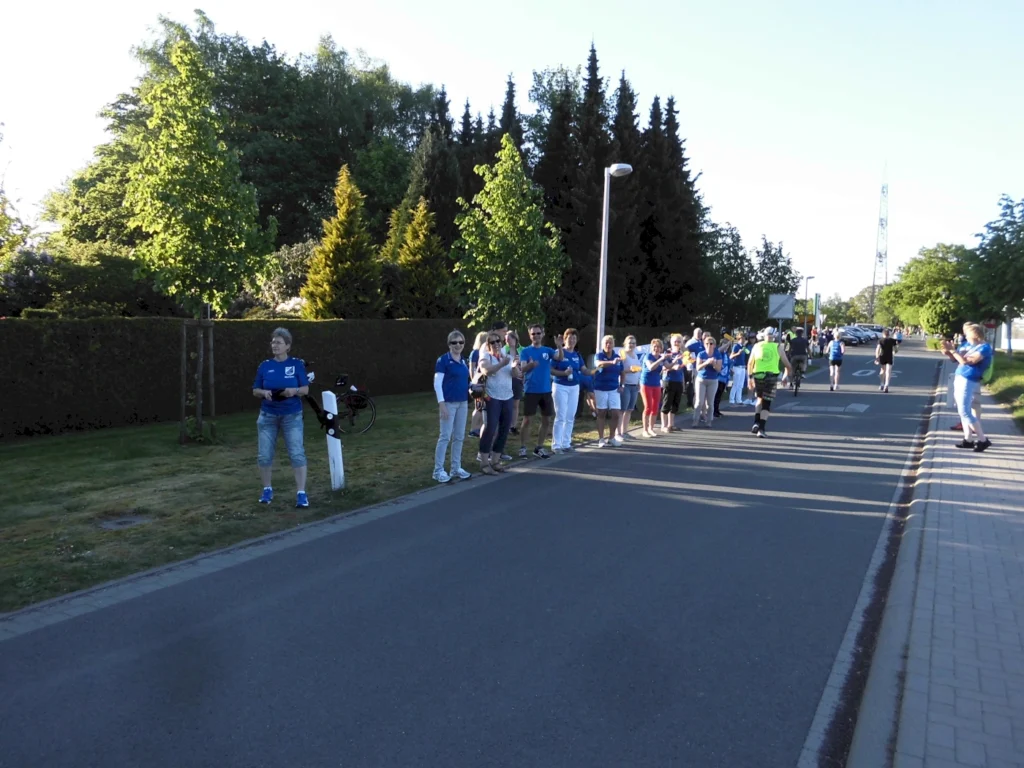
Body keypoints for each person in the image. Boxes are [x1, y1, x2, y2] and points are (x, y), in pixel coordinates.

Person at [251, 327, 310, 507]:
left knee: (297, 453)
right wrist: (264, 393)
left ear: (288, 346)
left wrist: (294, 391)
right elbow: (255, 390)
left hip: (291, 415)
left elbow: (306, 389)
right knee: (264, 455)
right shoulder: (265, 366)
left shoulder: (297, 365)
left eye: (278, 343)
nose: (274, 345)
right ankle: (267, 489)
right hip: (268, 415)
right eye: (273, 342)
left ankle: (301, 493)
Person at [942, 323, 993, 452]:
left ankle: (983, 440)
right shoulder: (967, 345)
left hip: (969, 379)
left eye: (968, 334)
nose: (965, 336)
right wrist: (949, 352)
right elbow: (956, 360)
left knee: (965, 411)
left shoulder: (984, 348)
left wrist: (953, 351)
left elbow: (967, 361)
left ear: (975, 335)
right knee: (962, 410)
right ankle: (968, 439)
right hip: (959, 377)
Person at [518, 323, 564, 458]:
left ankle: (539, 447)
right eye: (533, 334)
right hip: (531, 390)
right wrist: (531, 365)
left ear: (542, 334)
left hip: (546, 390)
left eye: (538, 333)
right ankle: (523, 447)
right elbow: (522, 369)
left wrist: (560, 346)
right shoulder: (525, 351)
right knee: (527, 420)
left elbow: (559, 358)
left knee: (546, 420)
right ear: (530, 335)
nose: (536, 336)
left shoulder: (547, 350)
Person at [433, 330, 473, 483]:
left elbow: (464, 380)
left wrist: (473, 386)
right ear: (449, 344)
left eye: (461, 342)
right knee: (445, 436)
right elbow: (437, 383)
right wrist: (441, 404)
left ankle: (456, 467)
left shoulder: (463, 360)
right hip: (448, 403)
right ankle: (438, 470)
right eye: (454, 342)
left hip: (462, 402)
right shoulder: (443, 360)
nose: (458, 345)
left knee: (459, 436)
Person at [476, 332, 516, 474]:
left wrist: (516, 367)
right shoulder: (487, 356)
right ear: (488, 345)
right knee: (490, 429)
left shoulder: (506, 356)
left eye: (498, 341)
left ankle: (495, 460)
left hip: (507, 396)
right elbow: (486, 370)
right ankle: (484, 463)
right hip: (492, 397)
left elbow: (514, 373)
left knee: (505, 429)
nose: (496, 344)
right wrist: (501, 364)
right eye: (492, 342)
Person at [747, 327, 793, 438]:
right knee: (766, 403)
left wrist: (750, 378)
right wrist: (785, 377)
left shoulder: (757, 346)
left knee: (759, 398)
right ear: (774, 336)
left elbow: (749, 364)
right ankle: (761, 429)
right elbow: (788, 365)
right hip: (771, 377)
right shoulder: (778, 347)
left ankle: (756, 422)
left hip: (758, 375)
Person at [551, 328, 588, 453]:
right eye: (569, 338)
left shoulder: (577, 355)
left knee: (570, 415)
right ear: (565, 339)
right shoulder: (559, 352)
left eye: (574, 338)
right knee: (561, 415)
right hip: (560, 386)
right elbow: (551, 370)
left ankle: (566, 443)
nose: (572, 340)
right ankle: (556, 445)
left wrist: (595, 371)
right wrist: (563, 373)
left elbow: (584, 369)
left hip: (574, 387)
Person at [593, 334, 625, 447]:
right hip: (600, 388)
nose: (608, 345)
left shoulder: (617, 357)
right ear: (603, 345)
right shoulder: (599, 355)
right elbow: (598, 364)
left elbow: (622, 372)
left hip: (614, 389)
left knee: (616, 413)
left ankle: (611, 438)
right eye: (606, 343)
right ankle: (601, 439)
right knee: (602, 413)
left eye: (610, 342)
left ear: (613, 345)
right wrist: (611, 362)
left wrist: (622, 385)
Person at [640, 338, 670, 437]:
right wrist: (661, 359)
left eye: (658, 347)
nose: (656, 348)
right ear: (652, 347)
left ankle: (651, 428)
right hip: (646, 383)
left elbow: (668, 366)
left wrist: (676, 360)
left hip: (656, 384)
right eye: (655, 346)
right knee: (648, 407)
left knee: (655, 407)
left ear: (661, 349)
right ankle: (645, 430)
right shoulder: (648, 356)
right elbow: (651, 367)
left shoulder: (662, 358)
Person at [693, 333, 723, 427]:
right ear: (704, 344)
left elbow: (719, 369)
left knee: (710, 402)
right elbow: (698, 368)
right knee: (699, 402)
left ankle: (709, 420)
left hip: (713, 380)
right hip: (701, 379)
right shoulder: (701, 354)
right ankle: (695, 420)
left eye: (711, 343)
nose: (709, 345)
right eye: (707, 343)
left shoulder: (717, 354)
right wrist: (706, 362)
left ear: (714, 345)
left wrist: (714, 363)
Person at [660, 334, 686, 433]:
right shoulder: (667, 353)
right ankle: (663, 425)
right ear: (671, 342)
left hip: (678, 380)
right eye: (675, 341)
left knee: (675, 404)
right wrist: (673, 367)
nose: (677, 343)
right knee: (667, 403)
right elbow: (663, 367)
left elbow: (683, 368)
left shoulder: (682, 353)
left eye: (679, 341)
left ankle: (671, 424)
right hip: (669, 380)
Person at [502, 327, 524, 440]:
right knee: (506, 404)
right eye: (505, 339)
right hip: (506, 379)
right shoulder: (502, 350)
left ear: (515, 339)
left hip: (517, 379)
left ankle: (513, 426)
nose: (507, 341)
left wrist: (520, 363)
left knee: (515, 404)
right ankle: (505, 425)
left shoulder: (522, 350)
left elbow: (527, 364)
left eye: (509, 338)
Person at [619, 335, 642, 439]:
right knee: (622, 409)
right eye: (630, 343)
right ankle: (618, 433)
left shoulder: (635, 355)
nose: (632, 345)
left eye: (633, 343)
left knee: (629, 409)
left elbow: (637, 369)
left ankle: (625, 431)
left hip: (634, 385)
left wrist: (638, 382)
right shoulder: (623, 354)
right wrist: (630, 370)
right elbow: (620, 370)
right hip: (625, 384)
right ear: (625, 344)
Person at [468, 331, 489, 437]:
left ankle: (478, 427)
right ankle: (473, 429)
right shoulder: (475, 352)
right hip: (478, 382)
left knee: (482, 406)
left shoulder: (483, 352)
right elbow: (472, 368)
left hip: (484, 382)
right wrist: (474, 382)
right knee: (478, 406)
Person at [713, 335, 732, 418]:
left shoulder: (726, 355)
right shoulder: (718, 352)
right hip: (718, 377)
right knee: (716, 395)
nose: (726, 347)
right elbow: (719, 349)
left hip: (724, 378)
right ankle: (714, 411)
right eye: (724, 344)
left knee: (720, 395)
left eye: (727, 346)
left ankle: (717, 410)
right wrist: (728, 343)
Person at [684, 327, 703, 409]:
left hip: (699, 367)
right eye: (697, 333)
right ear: (694, 333)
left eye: (700, 333)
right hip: (692, 367)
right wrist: (690, 361)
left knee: (697, 385)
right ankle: (690, 402)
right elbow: (685, 353)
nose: (699, 335)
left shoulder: (700, 342)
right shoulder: (690, 343)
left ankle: (696, 401)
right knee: (692, 385)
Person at [875, 328, 898, 393]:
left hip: (882, 356)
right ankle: (886, 385)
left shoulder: (880, 340)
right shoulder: (892, 340)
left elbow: (877, 349)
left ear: (883, 334)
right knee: (888, 371)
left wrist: (877, 358)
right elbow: (896, 349)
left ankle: (882, 383)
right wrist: (894, 352)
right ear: (889, 334)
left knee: (882, 370)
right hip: (889, 356)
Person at [729, 333, 749, 405]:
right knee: (736, 384)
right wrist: (738, 353)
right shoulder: (736, 346)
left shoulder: (743, 347)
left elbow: (747, 353)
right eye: (741, 338)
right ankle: (731, 400)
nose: (743, 340)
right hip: (737, 367)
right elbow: (731, 356)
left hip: (743, 367)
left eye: (744, 338)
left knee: (741, 384)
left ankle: (739, 399)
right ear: (738, 339)